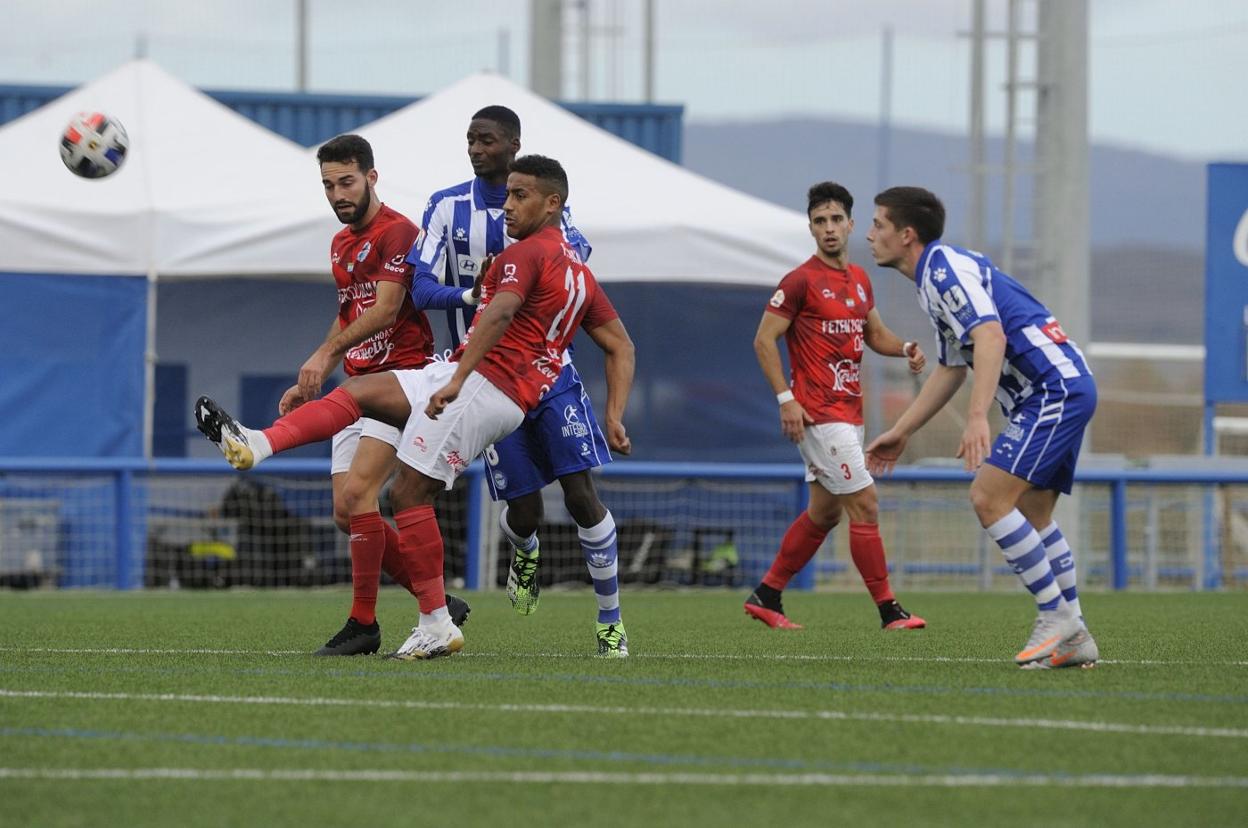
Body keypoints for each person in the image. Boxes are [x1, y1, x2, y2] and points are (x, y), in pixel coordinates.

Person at [195, 155, 633, 659]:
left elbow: (501, 313)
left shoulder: (522, 256)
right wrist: (614, 415)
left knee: (408, 495)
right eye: (507, 194)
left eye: (519, 196)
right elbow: (621, 345)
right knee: (360, 394)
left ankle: (437, 622)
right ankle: (259, 442)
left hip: (483, 386)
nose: (506, 206)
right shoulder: (578, 271)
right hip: (472, 380)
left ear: (553, 203)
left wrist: (462, 375)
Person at [406, 105, 634, 657]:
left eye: (486, 139)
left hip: (550, 375)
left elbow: (573, 271)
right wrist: (473, 297)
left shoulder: (550, 224)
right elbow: (419, 288)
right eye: (470, 139)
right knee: (525, 509)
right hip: (481, 376)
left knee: (582, 496)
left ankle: (611, 624)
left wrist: (615, 413)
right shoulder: (446, 206)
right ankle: (523, 549)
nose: (475, 148)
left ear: (512, 145)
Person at [864, 186, 1098, 669]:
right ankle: (1074, 631)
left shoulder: (943, 269)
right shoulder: (933, 280)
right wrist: (903, 430)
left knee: (988, 498)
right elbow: (951, 368)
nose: (870, 235)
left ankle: (1057, 617)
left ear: (907, 235)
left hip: (1052, 389)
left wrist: (977, 419)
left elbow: (989, 335)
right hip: (1062, 385)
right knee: (1032, 513)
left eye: (879, 225)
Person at [280, 134, 472, 657]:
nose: (337, 193)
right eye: (328, 184)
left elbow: (387, 310)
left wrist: (324, 357)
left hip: (398, 383)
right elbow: (350, 312)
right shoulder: (342, 243)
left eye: (346, 181)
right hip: (356, 385)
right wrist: (318, 368)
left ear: (371, 177)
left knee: (360, 494)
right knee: (347, 512)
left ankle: (363, 624)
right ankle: (435, 602)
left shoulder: (400, 232)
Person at [747, 182, 928, 632]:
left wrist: (904, 346)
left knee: (825, 513)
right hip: (817, 414)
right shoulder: (800, 281)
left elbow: (874, 334)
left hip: (850, 413)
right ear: (811, 228)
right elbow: (763, 339)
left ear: (850, 225)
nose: (828, 229)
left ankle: (767, 595)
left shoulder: (860, 280)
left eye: (835, 220)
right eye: (819, 221)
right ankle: (889, 610)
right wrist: (786, 399)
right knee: (865, 504)